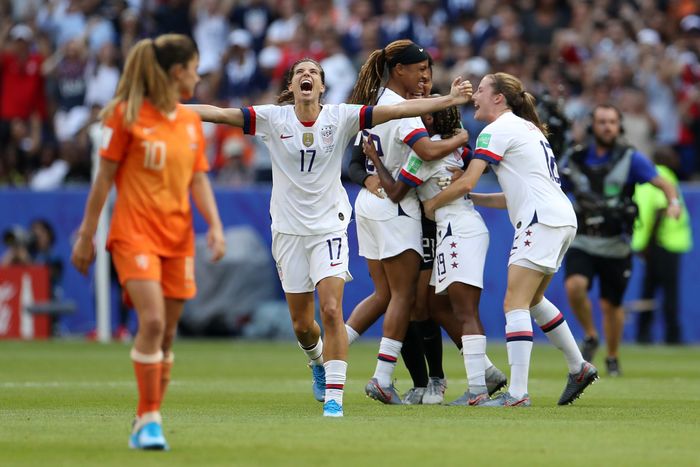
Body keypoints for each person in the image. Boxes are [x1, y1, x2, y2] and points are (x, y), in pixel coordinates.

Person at [188, 57, 474, 416]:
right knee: (303, 325)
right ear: (291, 87)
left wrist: (447, 100)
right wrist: (172, 108)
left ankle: (335, 399)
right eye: (299, 73)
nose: (306, 76)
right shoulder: (272, 118)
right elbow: (217, 113)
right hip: (289, 231)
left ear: (322, 86)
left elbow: (401, 109)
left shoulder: (341, 117)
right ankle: (317, 362)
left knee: (332, 310)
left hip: (330, 226)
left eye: (313, 73)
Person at [71, 34, 226, 450]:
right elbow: (103, 180)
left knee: (168, 335)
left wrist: (214, 226)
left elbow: (197, 179)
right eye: (195, 67)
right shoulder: (125, 115)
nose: (198, 74)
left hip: (177, 239)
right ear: (178, 72)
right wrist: (86, 235)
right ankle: (152, 420)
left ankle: (144, 418)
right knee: (152, 321)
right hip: (133, 234)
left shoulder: (190, 122)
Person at [424, 72, 598, 406]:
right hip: (559, 217)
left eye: (481, 90)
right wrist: (473, 197)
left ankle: (517, 394)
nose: (474, 95)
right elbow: (507, 196)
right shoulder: (526, 128)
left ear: (498, 98)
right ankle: (578, 366)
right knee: (531, 301)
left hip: (541, 221)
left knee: (513, 304)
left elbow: (464, 181)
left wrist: (434, 203)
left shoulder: (497, 130)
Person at [344, 39, 471, 405]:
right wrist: (462, 137)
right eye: (419, 70)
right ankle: (383, 377)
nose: (423, 77)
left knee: (384, 294)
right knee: (405, 296)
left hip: (368, 205)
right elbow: (427, 151)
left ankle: (329, 349)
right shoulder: (402, 109)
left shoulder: (373, 104)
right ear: (399, 70)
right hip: (394, 206)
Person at [363, 101, 506, 406]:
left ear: (428, 119)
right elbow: (472, 160)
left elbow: (396, 192)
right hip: (455, 227)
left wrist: (375, 158)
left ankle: (478, 389)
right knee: (437, 306)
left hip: (457, 230)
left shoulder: (422, 154)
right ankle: (487, 372)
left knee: (464, 311)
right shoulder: (456, 149)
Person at [559, 104, 682, 376]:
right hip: (583, 238)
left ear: (619, 126)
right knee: (574, 286)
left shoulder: (630, 158)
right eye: (602, 121)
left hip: (616, 242)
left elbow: (663, 182)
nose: (607, 127)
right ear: (593, 125)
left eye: (612, 122)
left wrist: (673, 202)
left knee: (610, 305)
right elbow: (553, 188)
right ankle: (591, 335)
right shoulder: (575, 158)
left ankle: (612, 357)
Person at [631, 147, 692, 345]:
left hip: (656, 243)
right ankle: (672, 336)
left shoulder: (650, 175)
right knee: (668, 292)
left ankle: (643, 333)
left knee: (649, 290)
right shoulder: (663, 175)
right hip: (663, 244)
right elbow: (660, 209)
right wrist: (649, 243)